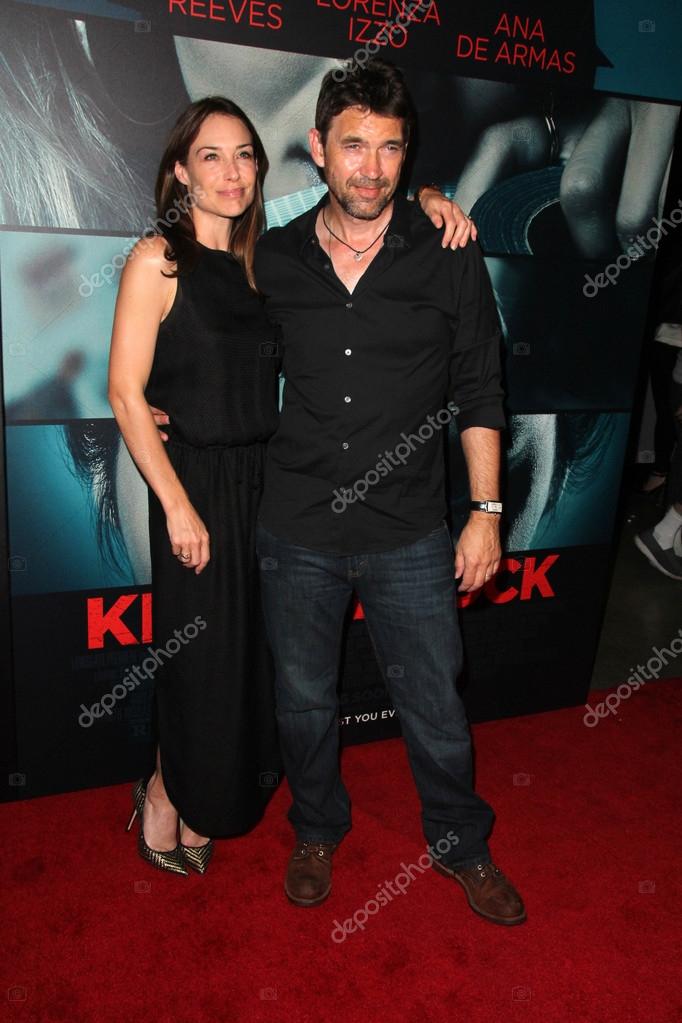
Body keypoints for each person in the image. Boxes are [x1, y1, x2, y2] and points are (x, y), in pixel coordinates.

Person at [112, 94, 474, 875]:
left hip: (267, 489)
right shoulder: (157, 259)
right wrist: (176, 503)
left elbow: (366, 192)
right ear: (180, 171)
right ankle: (165, 789)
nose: (232, 171)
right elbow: (123, 392)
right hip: (195, 489)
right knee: (198, 659)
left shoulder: (262, 261)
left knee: (246, 664)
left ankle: (202, 787)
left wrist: (428, 196)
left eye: (244, 155)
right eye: (211, 156)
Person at [252, 60, 526, 925]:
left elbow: (481, 389)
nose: (371, 169)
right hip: (297, 522)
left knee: (436, 702)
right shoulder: (274, 257)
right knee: (303, 700)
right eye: (353, 146)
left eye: (390, 149)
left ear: (409, 156)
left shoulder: (447, 250)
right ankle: (316, 827)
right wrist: (157, 399)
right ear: (317, 148)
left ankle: (461, 842)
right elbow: (218, 347)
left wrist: (485, 512)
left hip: (409, 527)